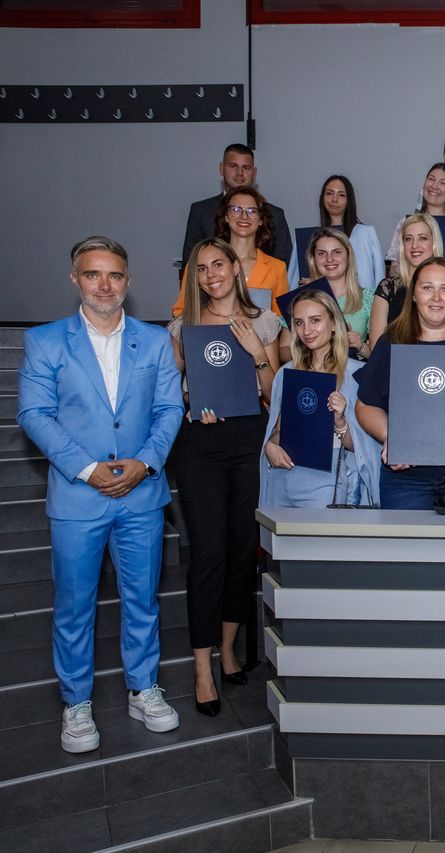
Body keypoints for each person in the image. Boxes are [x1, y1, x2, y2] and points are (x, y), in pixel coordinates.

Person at [18, 236, 184, 753]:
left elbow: (170, 409)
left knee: (142, 600)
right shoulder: (46, 341)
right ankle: (76, 702)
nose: (104, 285)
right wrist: (87, 469)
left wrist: (146, 461)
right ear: (76, 280)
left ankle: (143, 688)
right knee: (74, 606)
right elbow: (34, 414)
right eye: (93, 274)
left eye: (114, 275)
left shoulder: (154, 341)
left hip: (142, 493)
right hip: (78, 498)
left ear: (127, 281)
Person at [168, 237, 280, 717]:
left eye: (219, 264)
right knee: (208, 553)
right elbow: (168, 390)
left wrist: (257, 353)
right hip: (200, 445)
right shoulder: (183, 327)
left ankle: (229, 647)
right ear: (194, 277)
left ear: (236, 268)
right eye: (201, 268)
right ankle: (201, 667)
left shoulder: (265, 321)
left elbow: (275, 394)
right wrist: (189, 401)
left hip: (249, 440)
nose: (211, 274)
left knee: (241, 549)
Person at [355, 257, 445, 509]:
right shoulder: (392, 341)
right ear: (413, 295)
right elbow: (365, 405)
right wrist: (392, 435)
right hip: (405, 478)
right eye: (427, 288)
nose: (436, 298)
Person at [260, 291, 379, 507]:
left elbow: (364, 448)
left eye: (315, 320)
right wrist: (270, 446)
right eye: (299, 322)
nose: (307, 330)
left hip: (326, 477)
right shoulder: (287, 373)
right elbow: (280, 431)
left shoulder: (357, 374)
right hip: (283, 474)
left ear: (333, 323)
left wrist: (340, 422)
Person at [172, 187, 288, 319]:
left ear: (261, 219)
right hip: (210, 332)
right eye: (236, 210)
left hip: (262, 333)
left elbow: (282, 320)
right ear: (226, 216)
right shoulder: (200, 262)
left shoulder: (277, 268)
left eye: (252, 211)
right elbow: (182, 311)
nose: (244, 216)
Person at [182, 143, 291, 270]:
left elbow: (286, 268)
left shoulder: (274, 214)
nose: (239, 173)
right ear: (221, 168)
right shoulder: (201, 211)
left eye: (246, 168)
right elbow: (190, 265)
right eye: (233, 166)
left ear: (254, 173)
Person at [387, 162, 445, 279]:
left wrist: (441, 265)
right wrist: (409, 267)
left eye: (443, 183)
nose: (434, 186)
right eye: (431, 179)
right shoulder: (407, 222)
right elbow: (394, 268)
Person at [288, 175, 383, 291]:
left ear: (349, 200)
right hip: (319, 301)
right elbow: (293, 285)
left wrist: (321, 283)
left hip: (360, 301)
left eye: (341, 195)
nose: (334, 199)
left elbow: (379, 281)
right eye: (329, 193)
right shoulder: (307, 237)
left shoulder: (365, 234)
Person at [296, 229, 375, 363]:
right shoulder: (302, 298)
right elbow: (283, 350)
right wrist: (302, 345)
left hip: (353, 371)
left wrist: (361, 346)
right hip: (310, 371)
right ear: (313, 259)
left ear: (348, 257)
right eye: (322, 253)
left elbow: (381, 357)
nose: (329, 259)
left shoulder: (369, 297)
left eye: (337, 252)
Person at [369, 213, 443, 348]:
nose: (414, 245)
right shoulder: (388, 288)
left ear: (434, 242)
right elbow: (376, 346)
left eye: (422, 238)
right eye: (408, 239)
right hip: (392, 359)